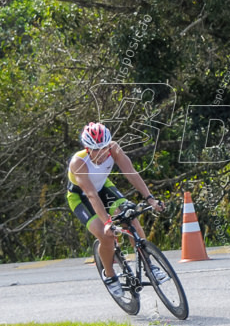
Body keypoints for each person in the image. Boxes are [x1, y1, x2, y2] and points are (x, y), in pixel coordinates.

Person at [66, 122, 164, 297]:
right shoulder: (78, 162)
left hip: (104, 188)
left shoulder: (114, 149)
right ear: (88, 149)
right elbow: (91, 195)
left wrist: (150, 198)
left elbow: (131, 173)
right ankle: (110, 275)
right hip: (81, 197)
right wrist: (107, 222)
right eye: (96, 149)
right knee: (106, 236)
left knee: (131, 218)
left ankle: (148, 264)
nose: (102, 153)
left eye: (104, 147)